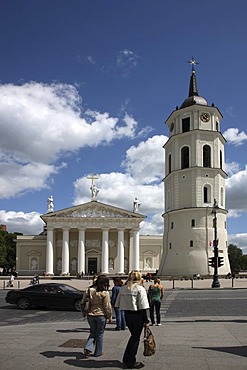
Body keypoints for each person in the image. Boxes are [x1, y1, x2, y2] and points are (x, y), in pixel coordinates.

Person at [115, 270, 149, 369]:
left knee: (134, 337)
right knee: (135, 339)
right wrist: (146, 320)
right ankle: (130, 361)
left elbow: (117, 304)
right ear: (139, 278)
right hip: (138, 316)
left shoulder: (123, 288)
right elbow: (143, 307)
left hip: (127, 315)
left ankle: (126, 357)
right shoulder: (140, 289)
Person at [81, 274, 112, 357]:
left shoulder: (89, 290)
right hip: (101, 315)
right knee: (100, 333)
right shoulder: (105, 293)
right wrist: (109, 316)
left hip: (90, 315)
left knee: (93, 332)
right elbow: (107, 306)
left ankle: (88, 347)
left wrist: (83, 312)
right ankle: (98, 352)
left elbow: (83, 302)